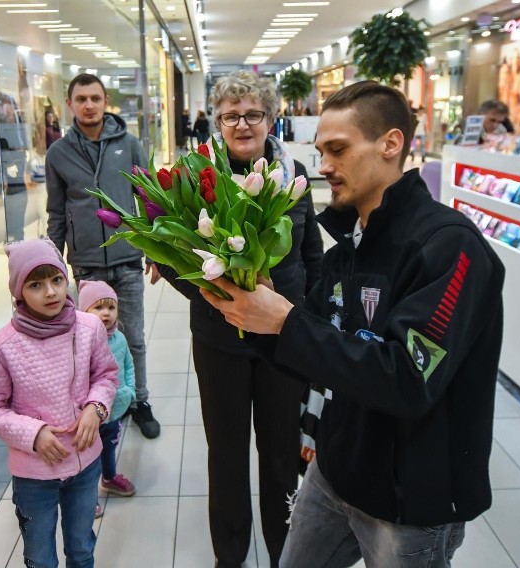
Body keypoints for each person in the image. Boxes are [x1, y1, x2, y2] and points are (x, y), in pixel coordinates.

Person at [200, 80, 505, 567]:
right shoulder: (350, 249)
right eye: (320, 151)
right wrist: (250, 313)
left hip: (409, 499)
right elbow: (314, 345)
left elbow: (407, 377)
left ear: (391, 143)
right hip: (335, 472)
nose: (323, 166)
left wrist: (284, 322)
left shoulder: (451, 250)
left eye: (338, 150)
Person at [155, 70, 323, 568]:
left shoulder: (293, 177)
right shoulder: (195, 177)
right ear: (217, 121)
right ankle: (229, 555)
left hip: (283, 339)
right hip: (219, 339)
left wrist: (306, 316)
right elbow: (167, 258)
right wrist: (216, 296)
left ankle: (283, 552)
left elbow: (311, 253)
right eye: (231, 115)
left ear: (272, 119)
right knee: (226, 453)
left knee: (279, 453)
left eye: (253, 114)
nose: (242, 124)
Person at [0, 238, 118, 568]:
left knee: (82, 548)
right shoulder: (1, 347)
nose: (51, 292)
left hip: (85, 461)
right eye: (36, 284)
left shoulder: (90, 327)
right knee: (39, 557)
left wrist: (95, 408)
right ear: (17, 291)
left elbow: (106, 375)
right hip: (34, 472)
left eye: (56, 280)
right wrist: (33, 433)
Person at [45, 73, 160, 439]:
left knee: (134, 337)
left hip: (126, 259)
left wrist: (157, 251)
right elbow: (57, 213)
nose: (89, 105)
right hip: (87, 264)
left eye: (95, 98)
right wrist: (53, 264)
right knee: (90, 342)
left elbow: (151, 198)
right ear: (70, 104)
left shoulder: (128, 144)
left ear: (105, 100)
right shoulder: (58, 154)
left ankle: (140, 400)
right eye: (81, 99)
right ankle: (101, 403)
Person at [78, 280, 137, 518]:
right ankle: (86, 497)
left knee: (110, 446)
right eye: (98, 307)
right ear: (84, 312)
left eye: (111, 308)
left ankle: (110, 477)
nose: (106, 313)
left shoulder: (120, 339)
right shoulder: (81, 342)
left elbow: (129, 365)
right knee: (88, 456)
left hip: (115, 410)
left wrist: (131, 390)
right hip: (91, 415)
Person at [0, 91, 31, 241]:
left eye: (9, 106)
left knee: (20, 196)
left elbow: (22, 140)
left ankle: (17, 234)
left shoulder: (17, 121)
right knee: (13, 198)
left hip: (19, 163)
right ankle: (14, 234)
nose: (7, 109)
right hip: (10, 165)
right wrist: (9, 163)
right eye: (4, 106)